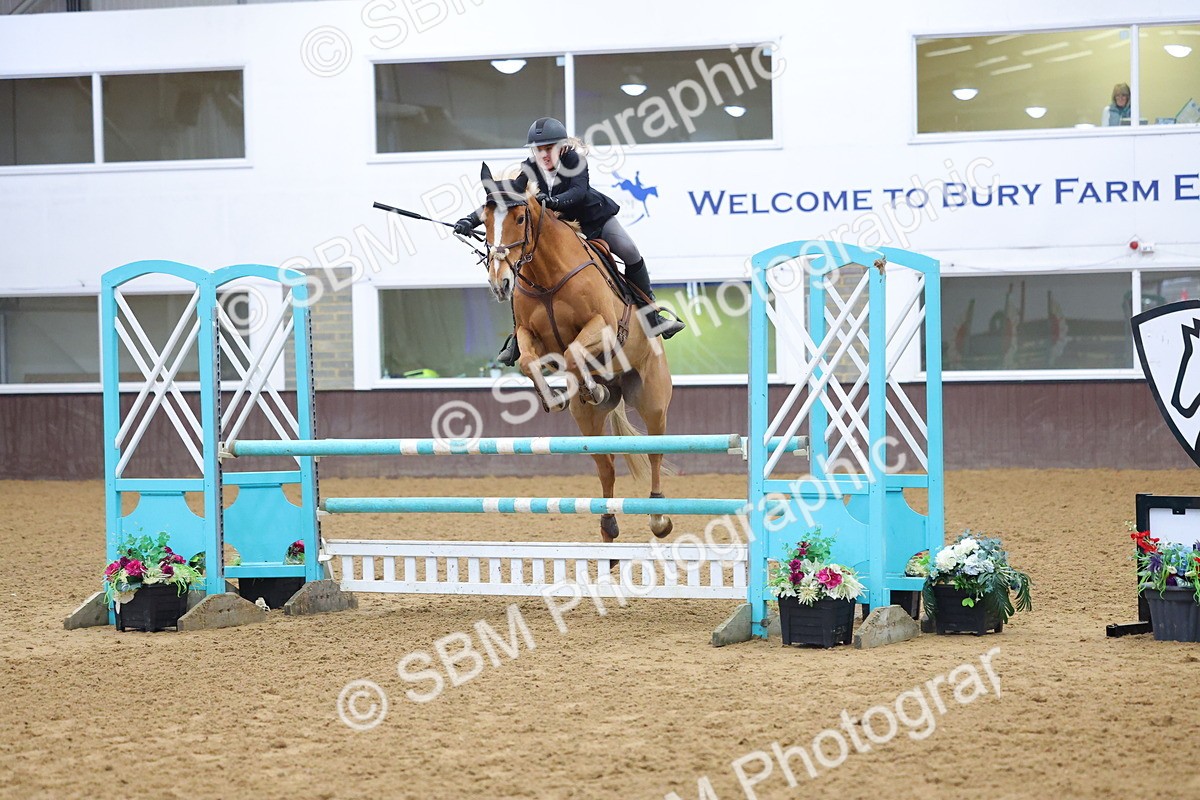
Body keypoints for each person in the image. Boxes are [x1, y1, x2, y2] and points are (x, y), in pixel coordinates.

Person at [455, 116, 685, 366]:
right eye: (539, 149)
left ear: (562, 147)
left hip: (592, 220)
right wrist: (469, 220)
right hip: (557, 231)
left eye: (548, 148)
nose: (543, 155)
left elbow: (578, 192)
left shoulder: (575, 160)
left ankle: (651, 314)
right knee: (520, 270)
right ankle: (516, 339)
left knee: (629, 250)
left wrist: (553, 203)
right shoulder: (529, 168)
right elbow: (502, 202)